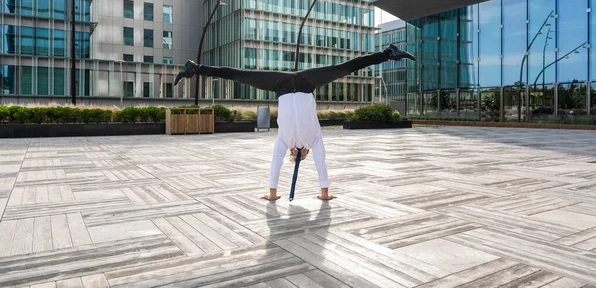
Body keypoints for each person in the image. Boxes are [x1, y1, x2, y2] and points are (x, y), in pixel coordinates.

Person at [174, 44, 416, 201]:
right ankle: (387, 54)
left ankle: (196, 69)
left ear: (293, 152)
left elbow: (275, 164)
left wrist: (272, 193)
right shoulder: (314, 140)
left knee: (241, 75)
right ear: (304, 154)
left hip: (281, 85)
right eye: (300, 156)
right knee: (344, 68)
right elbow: (321, 163)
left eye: (294, 156)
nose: (297, 154)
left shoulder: (285, 140)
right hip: (305, 83)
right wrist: (324, 193)